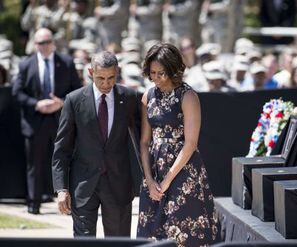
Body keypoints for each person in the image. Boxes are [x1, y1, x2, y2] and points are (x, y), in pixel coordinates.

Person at [137, 43, 220, 246]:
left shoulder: (188, 96)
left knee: (184, 232)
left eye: (161, 73)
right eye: (152, 73)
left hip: (183, 172)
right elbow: (144, 142)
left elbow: (191, 143)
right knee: (152, 232)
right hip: (154, 170)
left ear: (173, 70)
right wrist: (149, 179)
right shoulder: (148, 96)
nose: (156, 78)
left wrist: (166, 182)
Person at [52, 51, 140, 237]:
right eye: (101, 78)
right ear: (91, 72)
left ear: (117, 71)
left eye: (111, 78)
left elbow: (141, 142)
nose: (106, 84)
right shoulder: (74, 100)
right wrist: (61, 189)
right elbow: (62, 149)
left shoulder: (129, 98)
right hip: (83, 186)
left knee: (118, 242)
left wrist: (149, 175)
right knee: (84, 242)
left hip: (118, 185)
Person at [12, 28, 81, 214]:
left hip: (61, 121)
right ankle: (33, 205)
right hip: (35, 122)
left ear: (53, 43)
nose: (44, 46)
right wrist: (37, 104)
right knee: (35, 164)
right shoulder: (26, 65)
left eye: (47, 42)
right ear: (35, 44)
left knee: (67, 162)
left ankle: (69, 205)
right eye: (40, 43)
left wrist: (62, 103)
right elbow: (16, 92)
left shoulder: (66, 63)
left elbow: (78, 90)